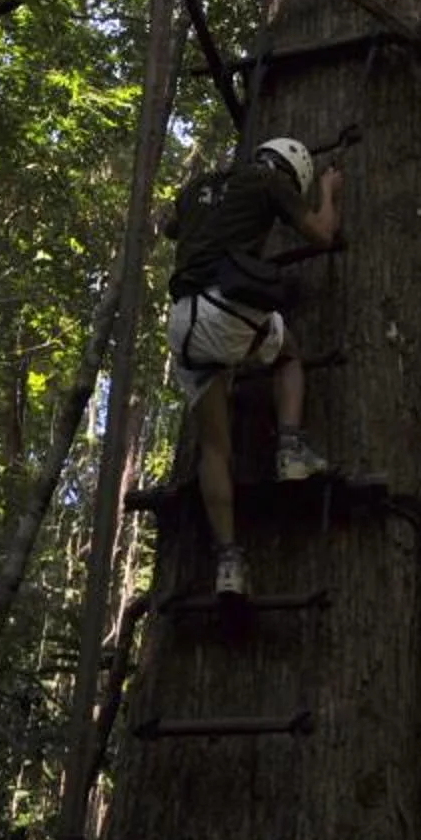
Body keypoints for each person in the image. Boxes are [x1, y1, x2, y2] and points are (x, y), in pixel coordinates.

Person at [166, 133, 344, 598]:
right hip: (223, 310)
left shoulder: (201, 185)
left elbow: (169, 224)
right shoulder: (269, 182)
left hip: (182, 323)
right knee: (289, 353)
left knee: (213, 448)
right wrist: (327, 191)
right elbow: (323, 234)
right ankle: (290, 449)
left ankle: (229, 563)